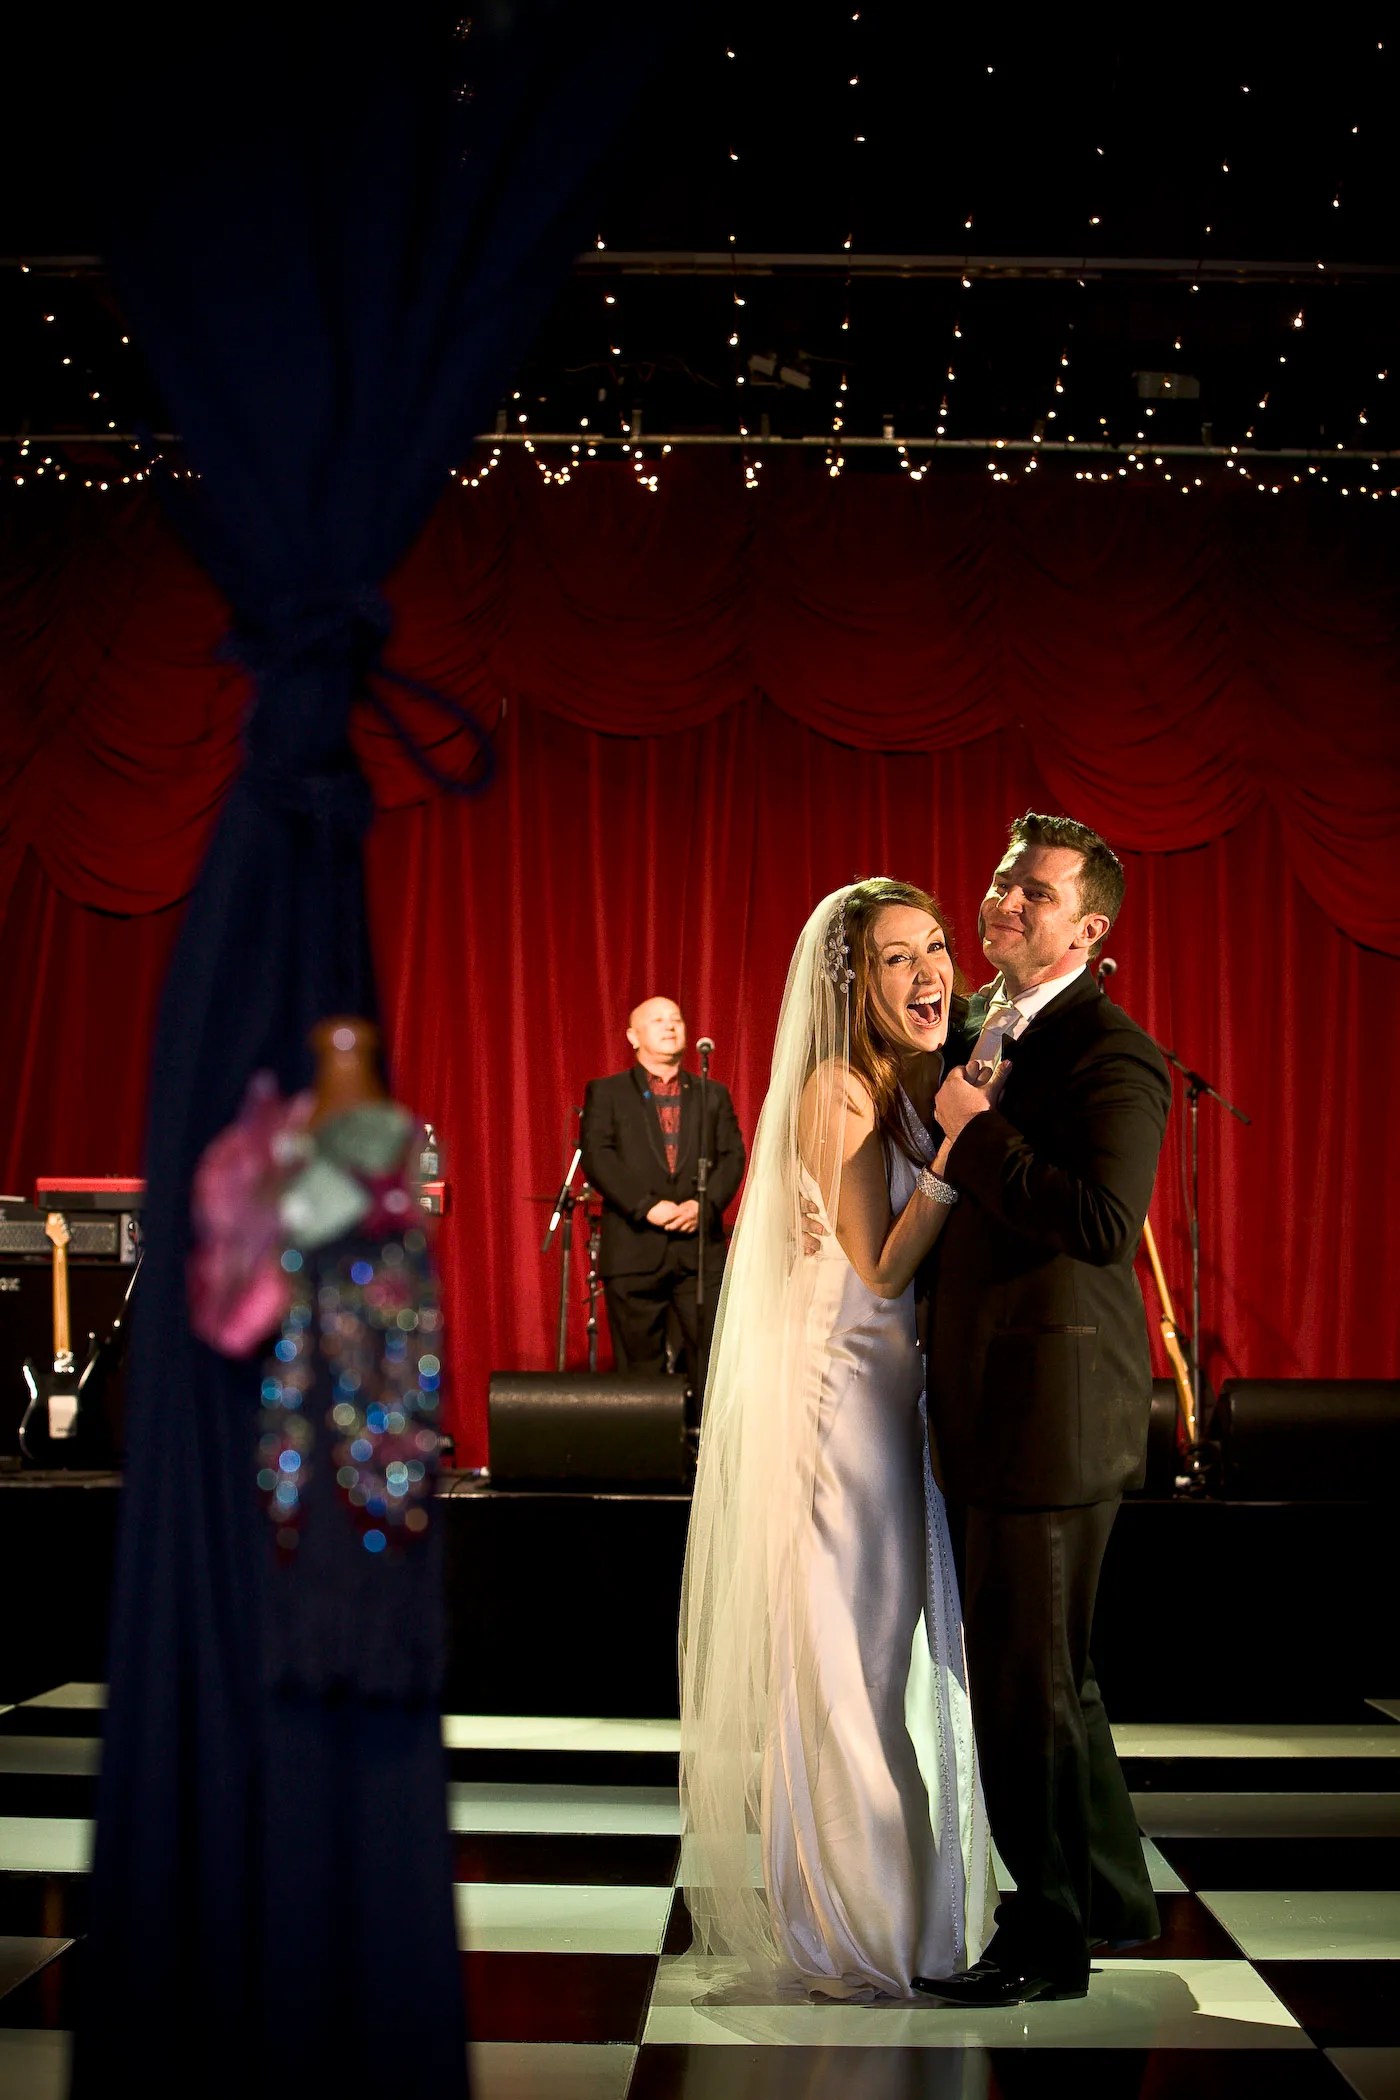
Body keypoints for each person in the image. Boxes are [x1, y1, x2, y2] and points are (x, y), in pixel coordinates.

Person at [679, 880, 996, 2001]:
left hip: (890, 1403)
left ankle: (902, 1915)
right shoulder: (835, 1091)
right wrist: (959, 1153)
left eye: (936, 948)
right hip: (837, 1406)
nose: (929, 973)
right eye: (898, 958)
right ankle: (868, 1930)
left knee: (882, 1661)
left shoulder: (903, 1088)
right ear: (853, 985)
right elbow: (880, 1264)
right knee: (847, 1666)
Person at [909, 811, 1171, 2009]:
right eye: (1000, 879)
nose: (1003, 900)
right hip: (990, 1399)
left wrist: (974, 1134)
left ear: (1088, 929)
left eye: (1035, 891)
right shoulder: (977, 1022)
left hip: (1049, 1413)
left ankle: (1046, 1938)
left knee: (1026, 1686)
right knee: (1055, 1674)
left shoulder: (1111, 1053)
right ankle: (1111, 1898)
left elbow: (1101, 1224)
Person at [580, 996, 745, 1381]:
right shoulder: (607, 1092)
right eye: (657, 1021)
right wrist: (647, 1206)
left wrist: (703, 1206)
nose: (670, 1026)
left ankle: (701, 1425)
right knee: (640, 1375)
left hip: (699, 1253)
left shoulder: (712, 1094)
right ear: (633, 1036)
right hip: (634, 1250)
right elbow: (598, 1157)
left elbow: (732, 1156)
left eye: (676, 1019)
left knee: (712, 1368)